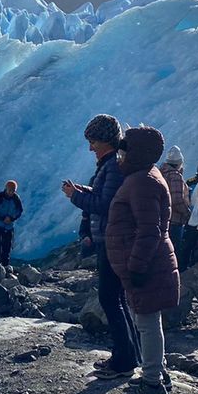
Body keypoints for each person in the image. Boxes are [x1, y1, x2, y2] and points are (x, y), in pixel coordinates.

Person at [106, 125, 181, 394]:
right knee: (147, 321)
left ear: (136, 153)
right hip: (148, 263)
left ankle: (152, 383)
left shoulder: (142, 182)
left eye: (123, 152)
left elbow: (149, 229)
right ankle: (158, 372)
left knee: (147, 323)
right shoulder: (144, 176)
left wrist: (136, 266)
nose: (119, 158)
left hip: (147, 265)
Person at [63, 114, 139, 379]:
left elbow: (107, 205)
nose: (90, 147)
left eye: (93, 141)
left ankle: (123, 362)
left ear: (106, 139)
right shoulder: (111, 164)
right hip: (110, 239)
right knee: (116, 298)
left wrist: (76, 197)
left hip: (111, 240)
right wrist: (83, 190)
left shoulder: (113, 167)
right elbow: (105, 195)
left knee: (110, 298)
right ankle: (130, 355)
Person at [158, 146, 191, 262]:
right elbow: (177, 199)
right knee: (173, 252)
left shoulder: (160, 173)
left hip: (161, 218)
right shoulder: (175, 176)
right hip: (175, 220)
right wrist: (187, 213)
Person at [0, 180, 24, 269]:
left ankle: (5, 266)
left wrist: (12, 218)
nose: (11, 192)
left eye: (13, 190)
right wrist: (3, 218)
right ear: (6, 188)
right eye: (9, 190)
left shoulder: (16, 199)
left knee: (7, 247)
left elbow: (19, 211)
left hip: (8, 227)